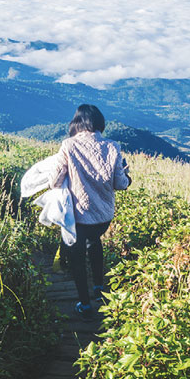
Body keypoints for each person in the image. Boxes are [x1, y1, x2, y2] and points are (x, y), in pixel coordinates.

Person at [48, 104, 131, 320]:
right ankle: (99, 288)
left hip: (79, 215)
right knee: (95, 242)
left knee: (78, 255)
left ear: (77, 123)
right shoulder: (113, 146)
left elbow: (54, 182)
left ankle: (85, 305)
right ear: (99, 123)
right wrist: (128, 177)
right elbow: (120, 184)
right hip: (104, 216)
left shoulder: (68, 145)